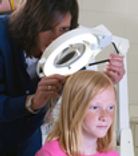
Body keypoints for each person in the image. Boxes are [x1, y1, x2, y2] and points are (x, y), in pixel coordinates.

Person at [0, 0, 125, 155]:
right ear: (30, 24)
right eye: (48, 29)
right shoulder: (3, 38)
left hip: (27, 139)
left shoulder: (69, 44)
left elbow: (81, 87)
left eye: (64, 29)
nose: (56, 39)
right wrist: (32, 102)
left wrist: (106, 80)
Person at [36, 70, 118, 156]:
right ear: (75, 109)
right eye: (95, 107)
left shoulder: (112, 154)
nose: (105, 116)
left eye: (110, 107)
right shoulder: (51, 153)